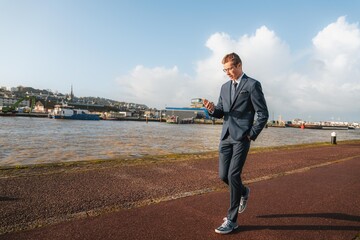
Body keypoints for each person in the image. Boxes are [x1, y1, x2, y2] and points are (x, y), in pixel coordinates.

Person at [203, 52, 268, 234]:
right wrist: (211, 110)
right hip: (225, 137)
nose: (227, 73)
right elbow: (221, 112)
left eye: (230, 68)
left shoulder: (253, 85)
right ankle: (244, 191)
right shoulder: (224, 87)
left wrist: (251, 134)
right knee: (223, 176)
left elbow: (263, 114)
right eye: (225, 70)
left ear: (239, 65)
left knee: (233, 175)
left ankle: (231, 220)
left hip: (242, 138)